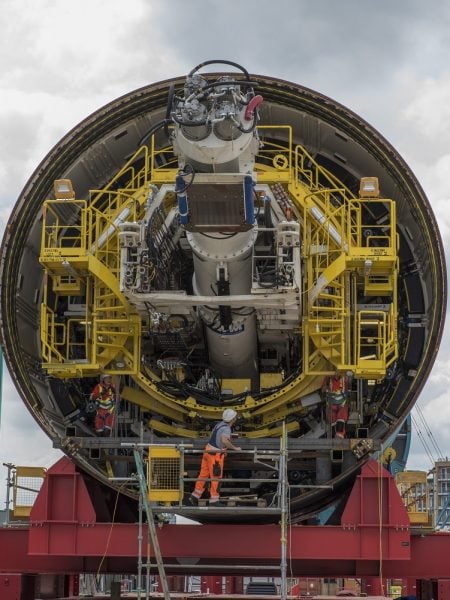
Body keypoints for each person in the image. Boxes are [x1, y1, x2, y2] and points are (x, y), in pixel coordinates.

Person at [188, 408, 241, 506]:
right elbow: (224, 440)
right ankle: (214, 500)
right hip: (215, 456)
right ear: (233, 419)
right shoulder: (226, 428)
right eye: (235, 417)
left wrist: (223, 450)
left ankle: (194, 496)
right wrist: (235, 448)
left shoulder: (219, 424)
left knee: (203, 475)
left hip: (208, 451)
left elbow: (214, 438)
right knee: (216, 477)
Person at [321, 370, 350, 438]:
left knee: (341, 418)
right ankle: (335, 436)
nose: (337, 373)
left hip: (342, 402)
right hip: (332, 403)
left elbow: (349, 384)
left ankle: (340, 435)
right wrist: (326, 388)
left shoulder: (344, 378)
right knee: (333, 420)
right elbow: (323, 389)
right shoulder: (328, 378)